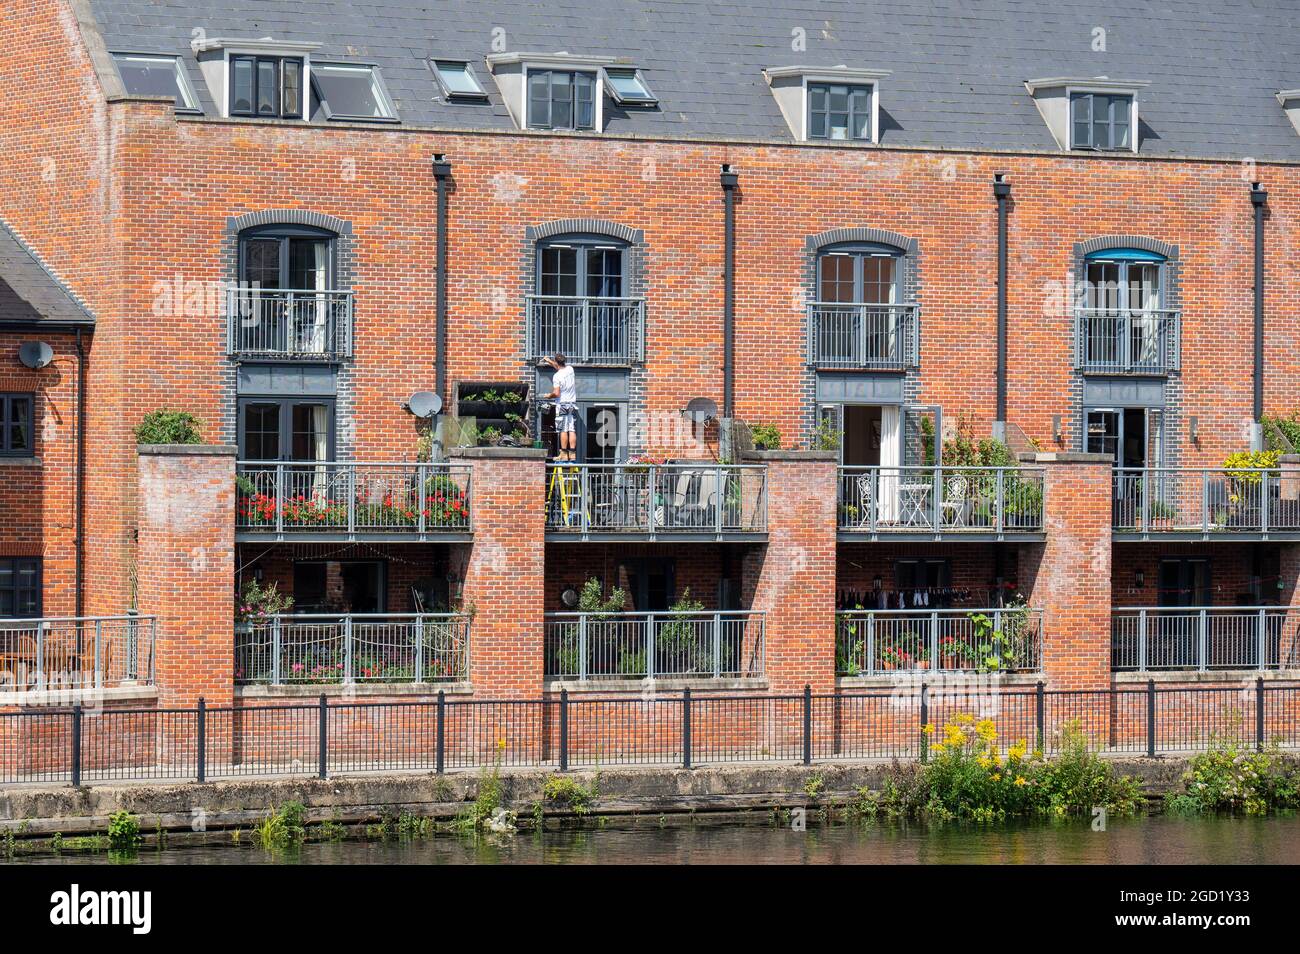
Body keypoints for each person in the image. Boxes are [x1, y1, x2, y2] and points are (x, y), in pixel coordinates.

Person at [542, 353, 578, 461]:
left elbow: (556, 393)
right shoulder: (570, 369)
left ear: (557, 362)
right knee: (571, 429)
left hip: (562, 404)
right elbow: (558, 367)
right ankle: (572, 454)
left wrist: (549, 395)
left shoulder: (556, 376)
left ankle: (563, 454)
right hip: (572, 404)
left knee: (563, 429)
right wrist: (549, 361)